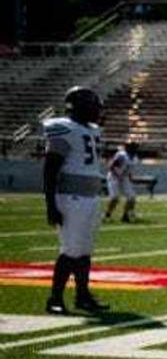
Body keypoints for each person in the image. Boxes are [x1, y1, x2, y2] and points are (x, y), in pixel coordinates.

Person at [42, 86, 109, 315]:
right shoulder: (63, 128)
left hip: (89, 197)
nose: (96, 110)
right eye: (92, 105)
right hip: (71, 197)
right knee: (70, 250)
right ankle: (55, 298)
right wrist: (50, 205)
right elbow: (50, 169)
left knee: (85, 251)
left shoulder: (91, 130)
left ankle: (82, 295)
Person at [103, 141, 138, 223]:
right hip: (114, 176)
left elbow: (129, 171)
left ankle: (125, 215)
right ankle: (107, 214)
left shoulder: (135, 158)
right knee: (115, 197)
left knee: (131, 197)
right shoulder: (122, 155)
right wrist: (117, 174)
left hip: (124, 177)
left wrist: (129, 178)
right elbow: (111, 166)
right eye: (132, 146)